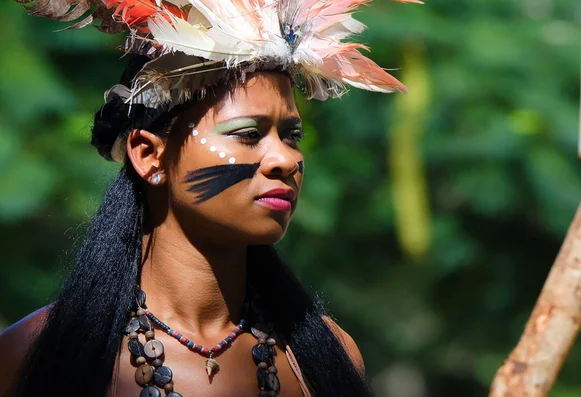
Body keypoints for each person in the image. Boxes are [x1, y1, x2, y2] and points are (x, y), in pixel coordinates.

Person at [0, 0, 418, 396]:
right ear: (149, 154)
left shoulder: (325, 358)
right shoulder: (28, 358)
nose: (285, 160)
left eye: (292, 136)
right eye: (248, 134)